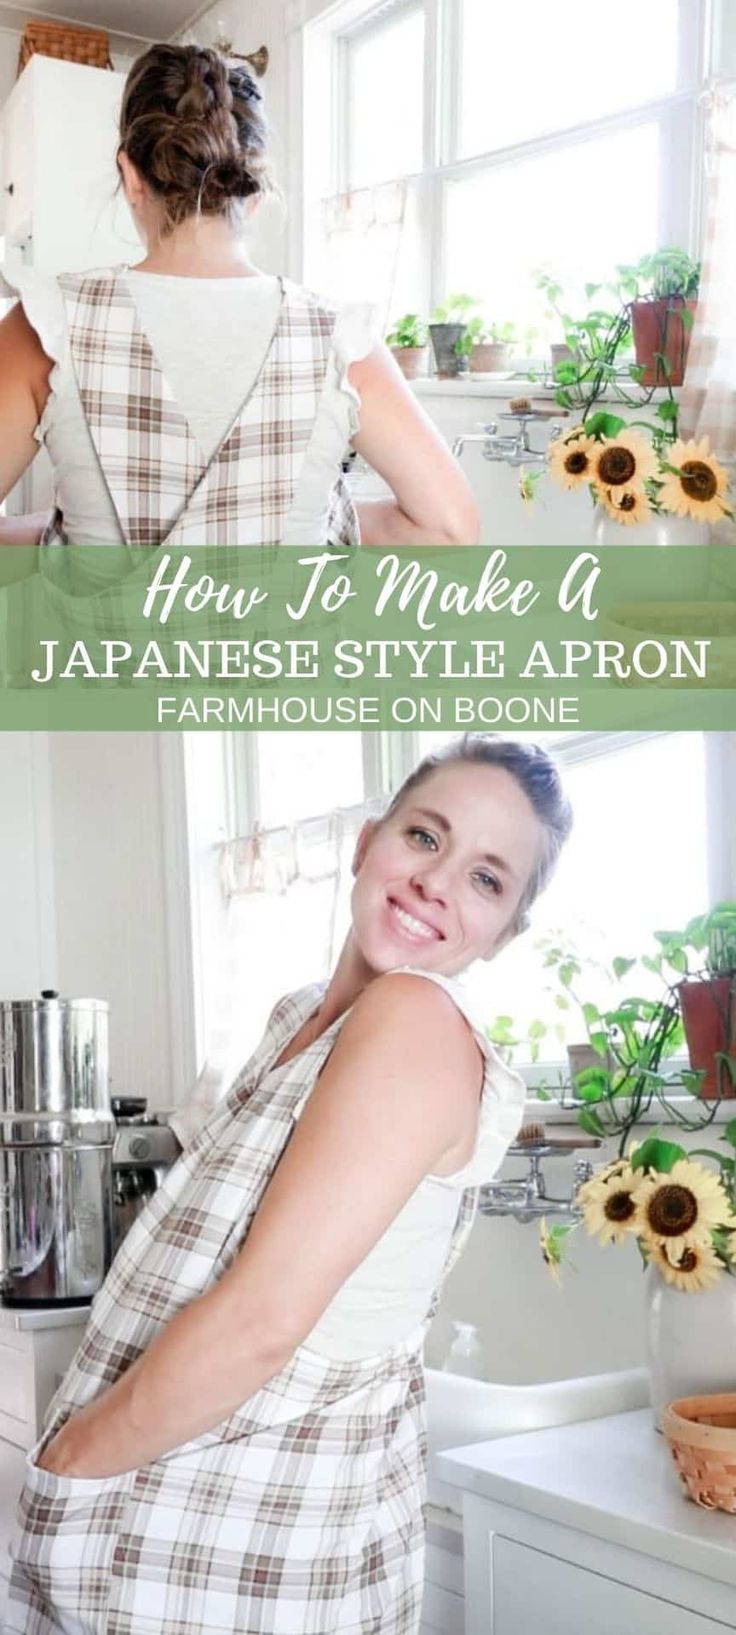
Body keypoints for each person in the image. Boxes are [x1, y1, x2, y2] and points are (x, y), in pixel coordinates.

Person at [7, 734, 571, 1635]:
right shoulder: (298, 1017)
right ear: (367, 841)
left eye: (487, 879)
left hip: (249, 1542)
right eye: (427, 837)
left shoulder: (415, 1021)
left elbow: (263, 1319)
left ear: (504, 934)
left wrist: (68, 1465)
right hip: (168, 1504)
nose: (436, 880)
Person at [0, 42, 479, 568]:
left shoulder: (46, 324)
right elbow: (449, 530)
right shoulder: (341, 338)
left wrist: (64, 539)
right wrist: (308, 522)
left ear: (132, 176)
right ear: (254, 189)